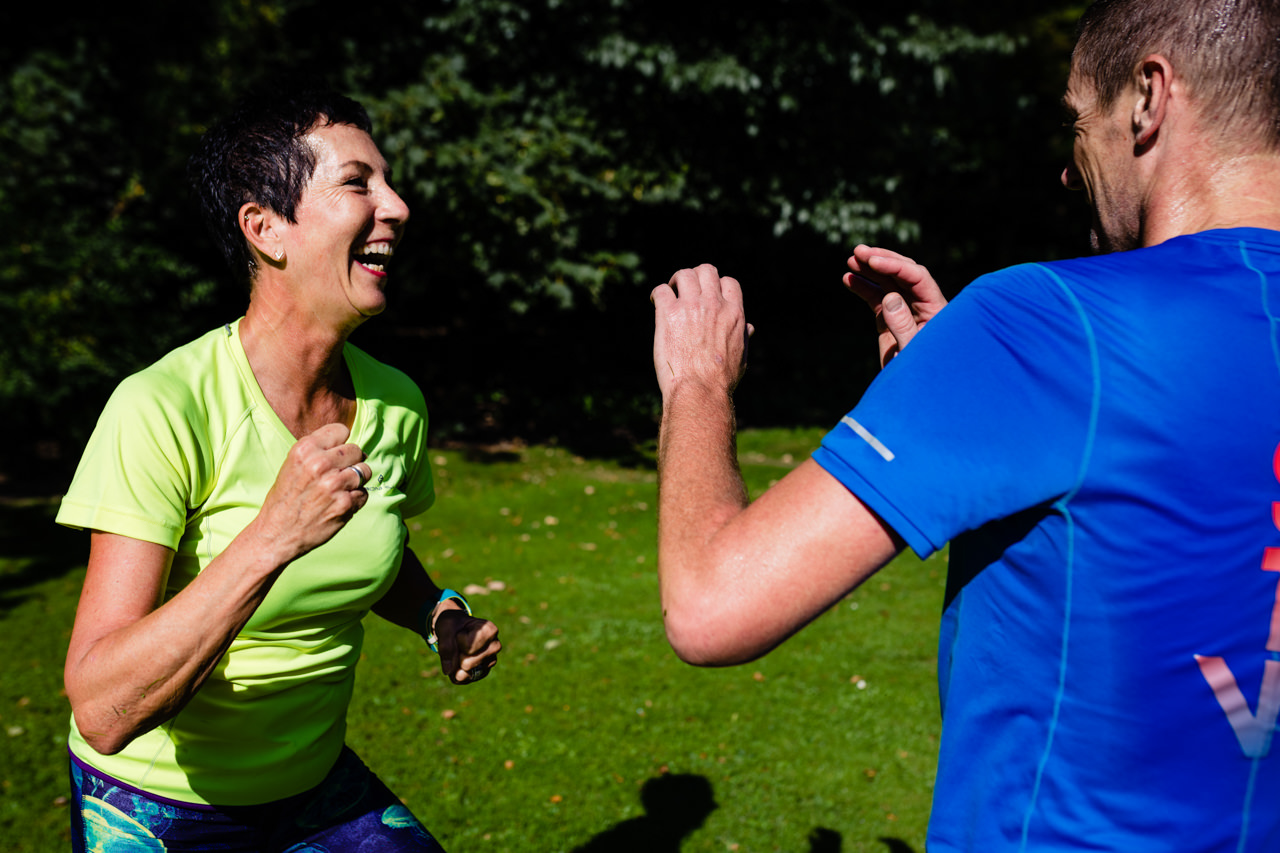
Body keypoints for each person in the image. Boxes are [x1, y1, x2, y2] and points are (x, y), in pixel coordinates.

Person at [649, 0, 1280, 849]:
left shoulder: (1050, 322)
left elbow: (711, 605)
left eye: (1074, 122)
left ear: (1148, 98)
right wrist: (961, 400)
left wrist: (697, 381)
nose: (1068, 169)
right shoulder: (1041, 347)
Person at [56, 86, 501, 851]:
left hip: (314, 787)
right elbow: (102, 706)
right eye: (358, 183)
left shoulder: (396, 403)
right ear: (266, 228)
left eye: (388, 181)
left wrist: (439, 615)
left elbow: (376, 545)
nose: (396, 206)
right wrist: (272, 536)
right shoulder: (162, 407)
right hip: (159, 804)